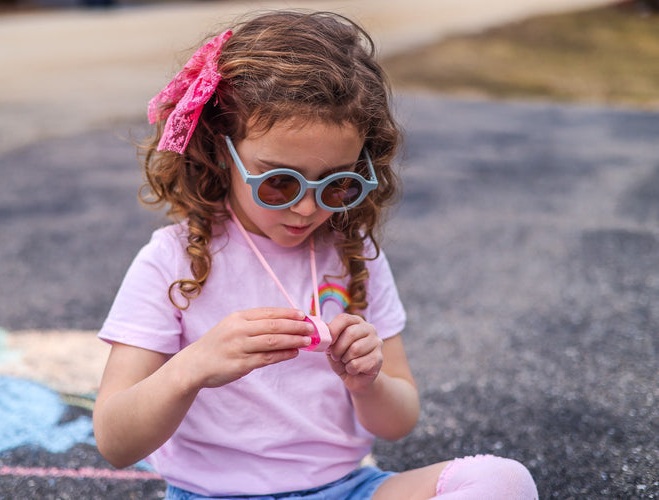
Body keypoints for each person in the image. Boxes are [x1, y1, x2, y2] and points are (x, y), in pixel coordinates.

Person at [93, 10, 538, 500]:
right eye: (279, 181)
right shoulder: (172, 262)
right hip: (212, 495)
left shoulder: (354, 256)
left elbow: (397, 422)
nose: (307, 208)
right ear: (222, 150)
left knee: (502, 481)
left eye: (338, 183)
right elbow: (116, 441)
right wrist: (192, 367)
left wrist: (367, 382)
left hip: (344, 489)